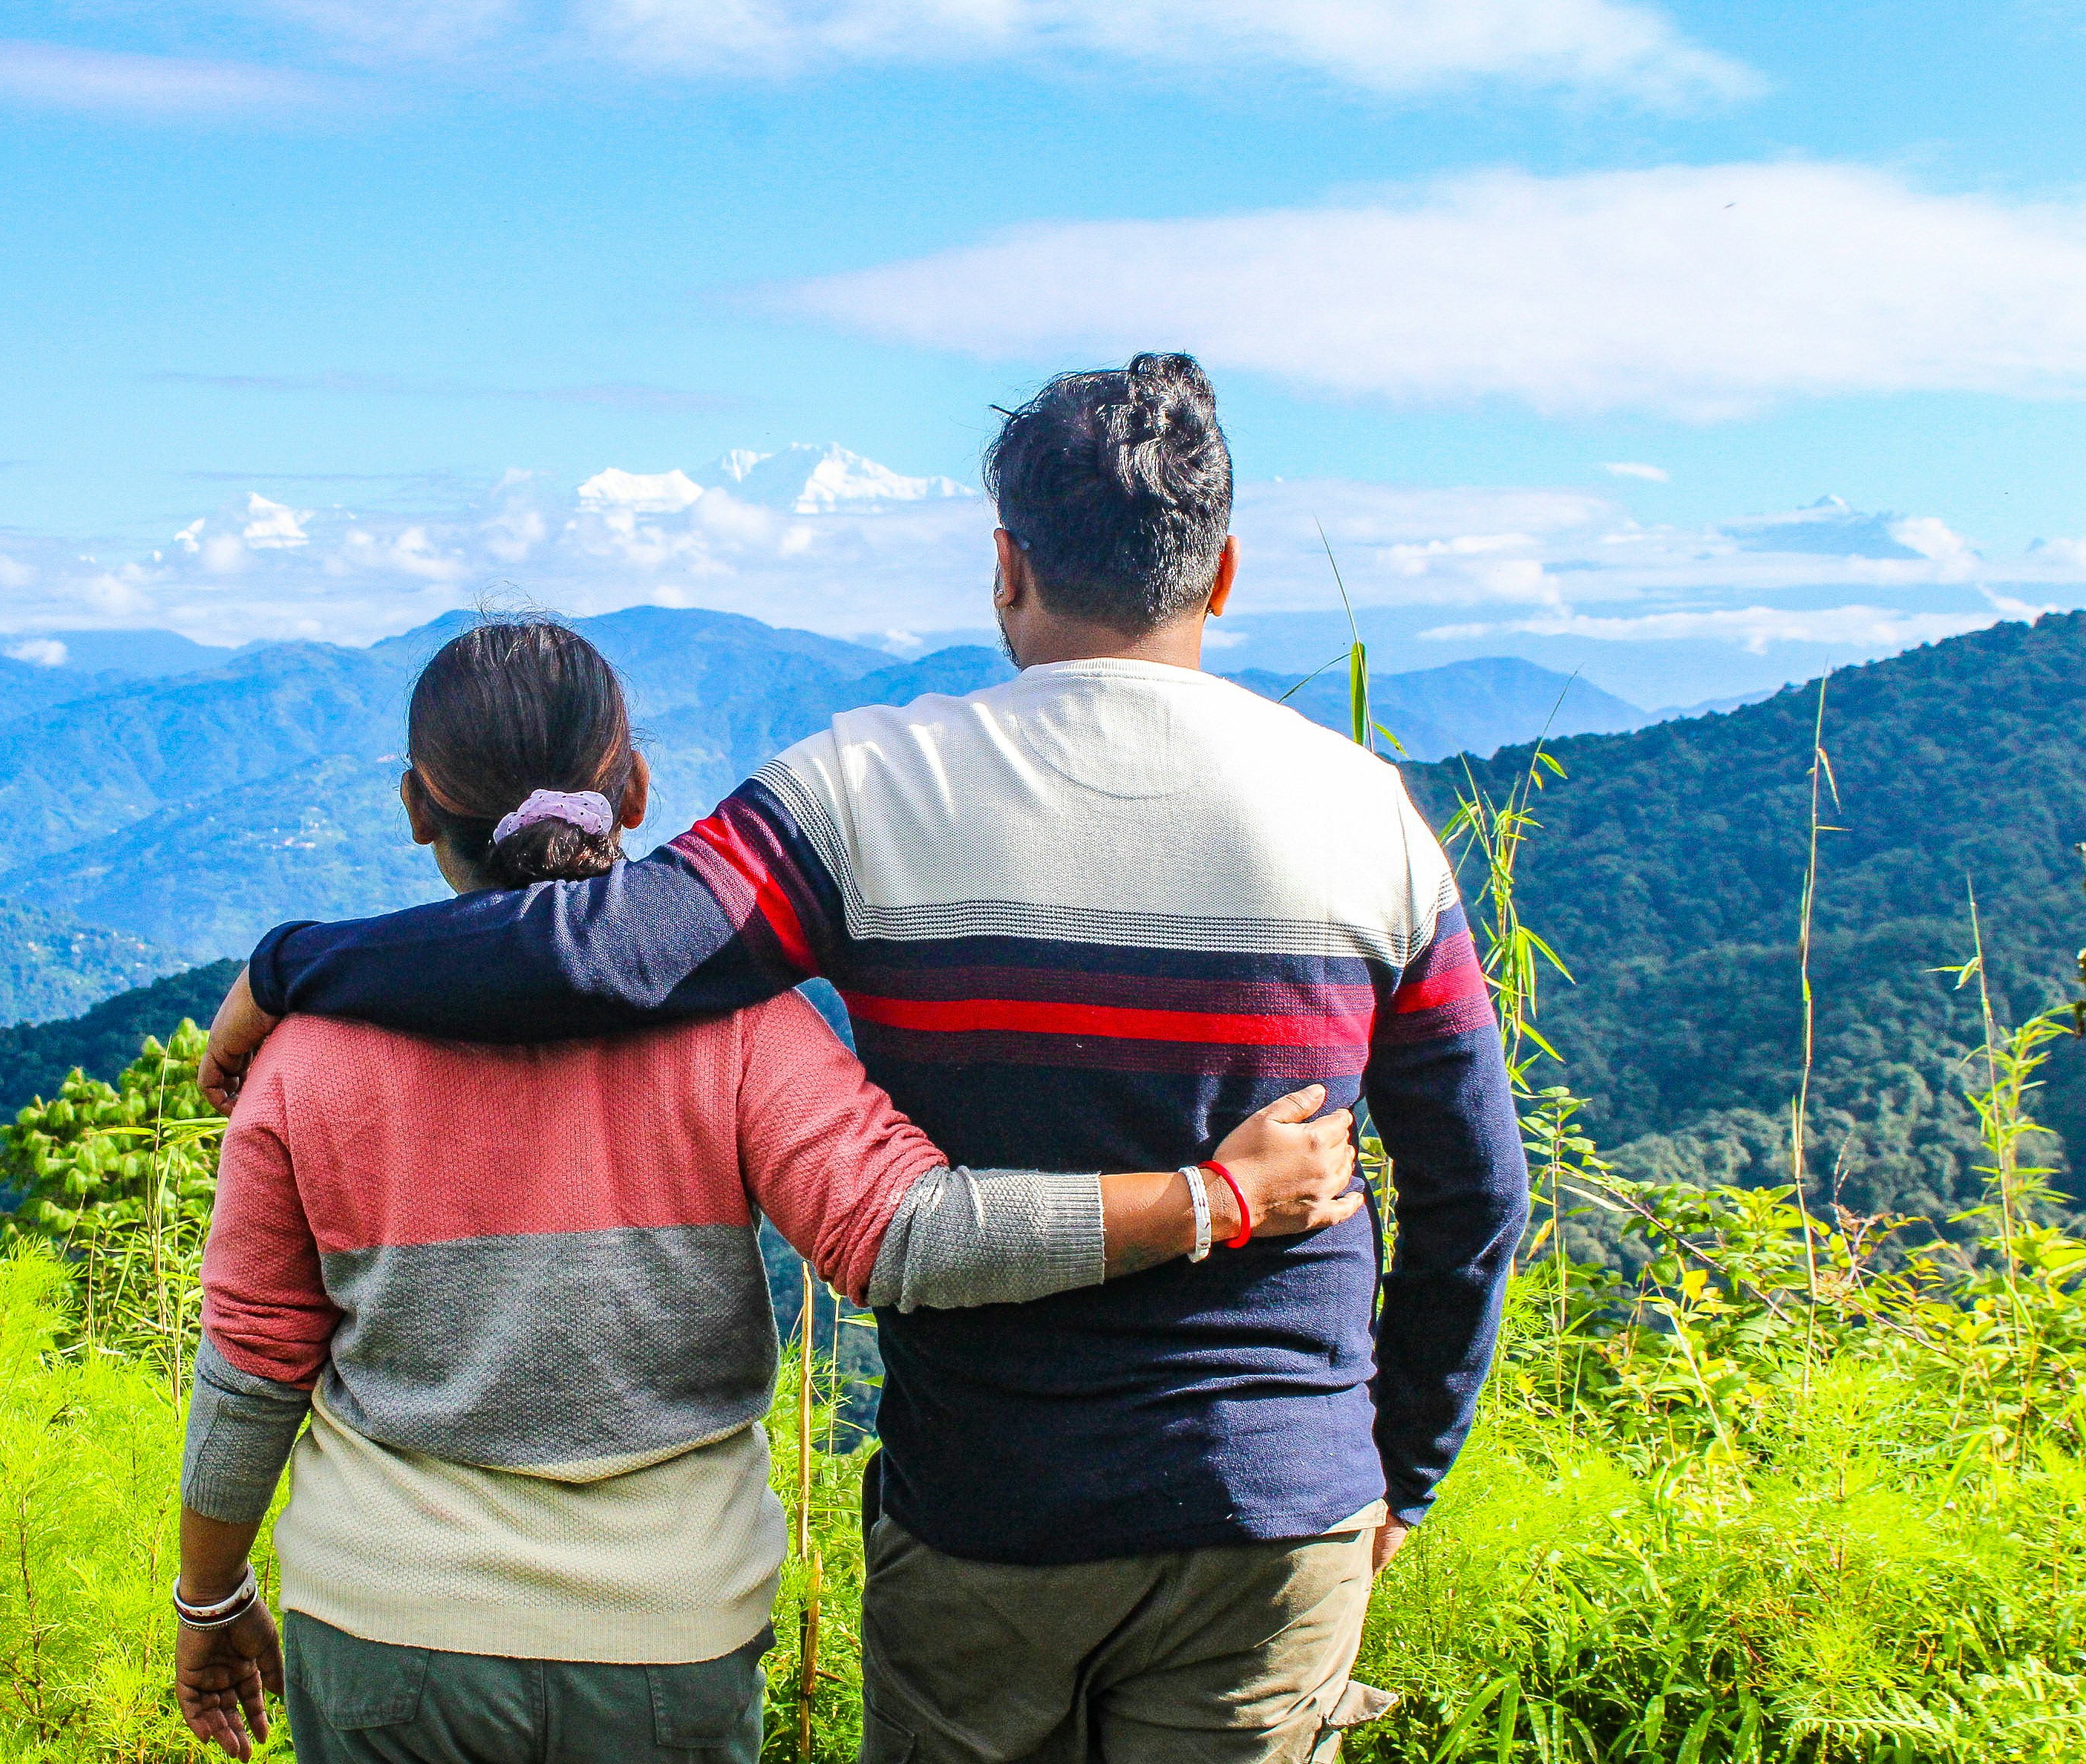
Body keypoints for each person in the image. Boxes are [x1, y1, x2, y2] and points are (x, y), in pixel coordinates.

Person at [200, 354, 1530, 1764]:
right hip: (1281, 1502)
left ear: (1006, 566)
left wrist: (292, 967)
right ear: (1224, 572)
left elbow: (597, 952)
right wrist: (1400, 1473)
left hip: (990, 1506)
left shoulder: (873, 787)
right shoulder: (1370, 817)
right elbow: (1474, 1196)